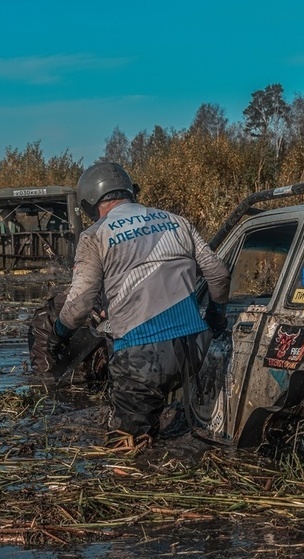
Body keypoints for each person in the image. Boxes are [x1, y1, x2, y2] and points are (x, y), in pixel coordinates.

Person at [47, 162, 231, 448]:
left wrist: (59, 333)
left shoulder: (95, 235)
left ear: (89, 203)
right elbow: (218, 274)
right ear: (130, 192)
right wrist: (217, 316)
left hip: (141, 355)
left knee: (127, 449)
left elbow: (81, 303)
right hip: (193, 349)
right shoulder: (178, 221)